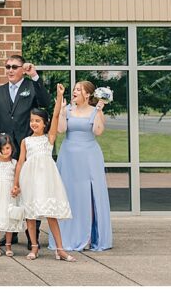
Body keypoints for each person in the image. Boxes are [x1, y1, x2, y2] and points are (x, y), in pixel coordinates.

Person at [0, 55, 49, 247]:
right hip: (6, 151)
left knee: (29, 191)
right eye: (7, 67)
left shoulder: (31, 87)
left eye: (14, 67)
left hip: (28, 148)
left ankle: (32, 236)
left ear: (23, 69)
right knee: (9, 193)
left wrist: (35, 76)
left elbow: (46, 102)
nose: (10, 70)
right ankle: (10, 233)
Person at [13, 84, 76, 262]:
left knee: (51, 214)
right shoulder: (26, 141)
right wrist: (16, 184)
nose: (34, 123)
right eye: (32, 120)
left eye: (38, 121)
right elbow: (20, 163)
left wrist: (59, 96)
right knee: (30, 215)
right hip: (30, 180)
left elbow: (55, 116)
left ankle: (60, 249)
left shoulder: (49, 138)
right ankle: (34, 247)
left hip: (47, 179)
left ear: (44, 123)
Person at [53, 81, 113, 252]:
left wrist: (99, 111)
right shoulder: (68, 110)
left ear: (87, 94)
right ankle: (66, 236)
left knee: (88, 195)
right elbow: (61, 130)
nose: (74, 92)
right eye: (74, 89)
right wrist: (62, 111)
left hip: (89, 157)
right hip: (69, 156)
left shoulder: (95, 111)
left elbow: (98, 131)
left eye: (78, 90)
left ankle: (87, 237)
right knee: (69, 194)